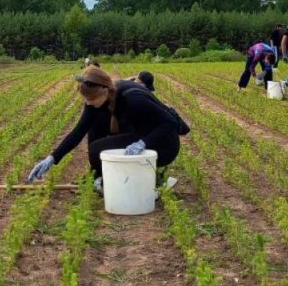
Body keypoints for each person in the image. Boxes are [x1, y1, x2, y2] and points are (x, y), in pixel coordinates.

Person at [27, 66, 181, 193]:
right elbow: (79, 131)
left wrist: (143, 143)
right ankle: (99, 176)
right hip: (139, 133)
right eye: (86, 99)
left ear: (105, 91)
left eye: (91, 99)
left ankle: (150, 177)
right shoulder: (97, 99)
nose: (88, 103)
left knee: (97, 150)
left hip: (163, 144)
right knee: (95, 123)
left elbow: (170, 123)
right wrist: (52, 158)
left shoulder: (133, 99)